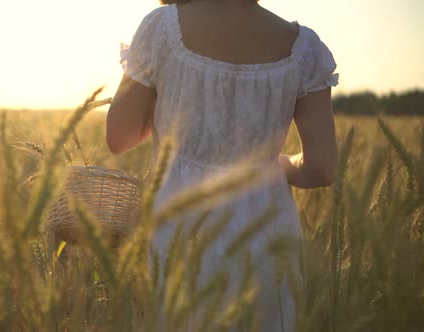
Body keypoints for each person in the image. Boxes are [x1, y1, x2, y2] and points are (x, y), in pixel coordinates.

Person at [106, 0, 338, 330]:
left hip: (179, 224)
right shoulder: (305, 48)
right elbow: (321, 169)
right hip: (266, 233)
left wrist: (165, 99)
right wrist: (280, 164)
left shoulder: (162, 28)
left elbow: (119, 137)